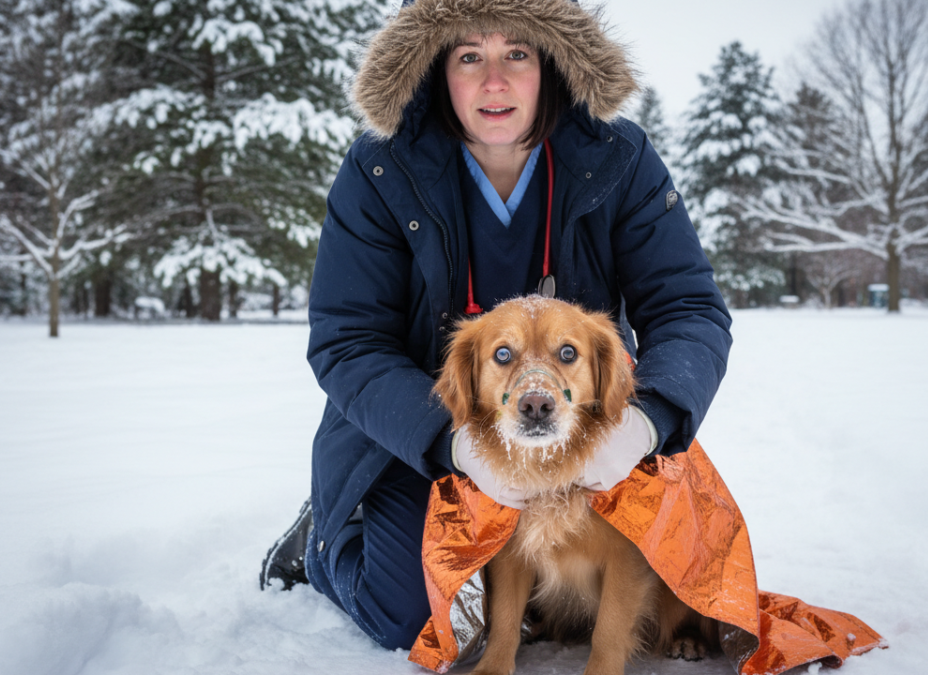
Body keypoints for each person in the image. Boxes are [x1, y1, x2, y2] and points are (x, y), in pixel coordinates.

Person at [259, 0, 733, 653]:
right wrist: (454, 444)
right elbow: (347, 340)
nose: (494, 82)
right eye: (468, 56)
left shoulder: (619, 158)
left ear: (553, 63)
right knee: (420, 621)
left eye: (517, 53)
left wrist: (646, 421)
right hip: (419, 433)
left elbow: (688, 308)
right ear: (432, 69)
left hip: (577, 430)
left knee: (665, 577)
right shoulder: (377, 168)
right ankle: (325, 544)